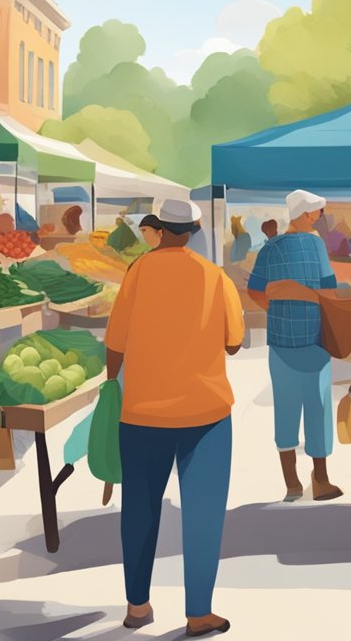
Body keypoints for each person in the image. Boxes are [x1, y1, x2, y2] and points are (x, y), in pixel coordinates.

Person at [106, 199, 239, 638]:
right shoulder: (215, 277)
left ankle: (137, 607)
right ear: (195, 229)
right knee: (203, 514)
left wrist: (113, 389)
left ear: (158, 229)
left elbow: (116, 342)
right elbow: (234, 342)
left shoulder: (138, 272)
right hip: (207, 415)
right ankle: (199, 613)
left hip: (142, 413)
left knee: (139, 510)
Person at [247, 189, 344, 503]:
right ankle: (321, 479)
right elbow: (329, 288)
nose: (317, 219)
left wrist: (276, 310)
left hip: (280, 342)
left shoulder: (270, 248)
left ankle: (291, 483)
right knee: (317, 407)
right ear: (305, 215)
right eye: (315, 213)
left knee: (285, 407)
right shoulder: (315, 244)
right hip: (315, 340)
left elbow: (254, 290)